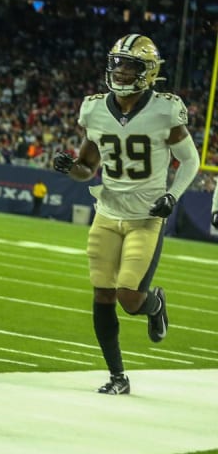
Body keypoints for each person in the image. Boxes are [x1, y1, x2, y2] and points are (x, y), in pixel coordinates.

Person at [52, 34, 196, 395]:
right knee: (102, 294)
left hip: (146, 217)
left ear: (148, 72)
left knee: (129, 298)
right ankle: (118, 375)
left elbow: (190, 160)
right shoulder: (95, 108)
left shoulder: (165, 109)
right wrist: (71, 168)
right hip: (107, 212)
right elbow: (88, 167)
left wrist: (172, 195)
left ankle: (155, 303)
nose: (121, 70)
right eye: (117, 62)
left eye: (130, 64)